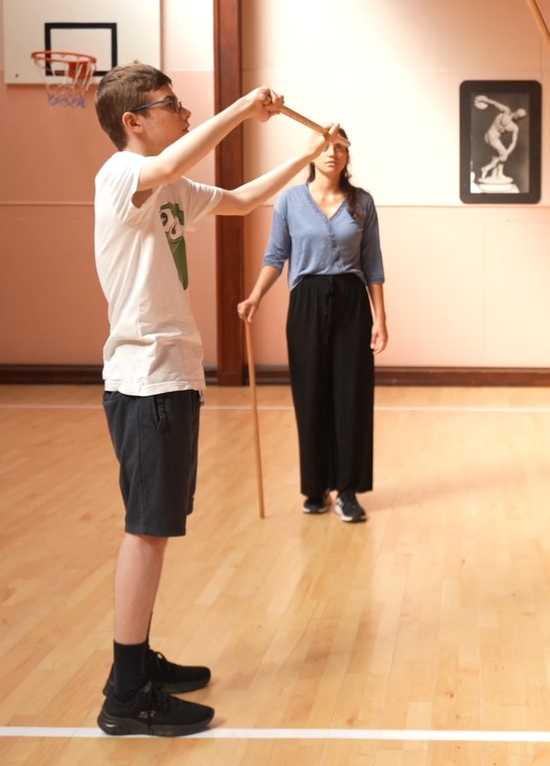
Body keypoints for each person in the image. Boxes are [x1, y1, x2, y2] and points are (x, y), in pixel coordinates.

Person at [93, 61, 341, 737]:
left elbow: (240, 197)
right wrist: (241, 108)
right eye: (168, 102)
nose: (182, 108)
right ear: (133, 121)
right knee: (146, 531)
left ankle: (140, 660)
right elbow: (181, 152)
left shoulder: (171, 185)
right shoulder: (121, 175)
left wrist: (305, 156)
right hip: (144, 380)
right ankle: (125, 691)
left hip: (171, 376)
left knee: (158, 528)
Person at [238, 127, 387, 524]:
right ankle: (316, 487)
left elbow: (373, 264)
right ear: (310, 154)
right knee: (311, 395)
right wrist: (255, 295)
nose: (332, 153)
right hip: (305, 302)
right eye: (324, 146)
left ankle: (349, 490)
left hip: (352, 302)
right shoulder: (289, 201)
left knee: (351, 396)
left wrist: (380, 320)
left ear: (347, 156)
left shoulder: (362, 203)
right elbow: (276, 256)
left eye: (339, 147)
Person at [475, 96, 527, 184]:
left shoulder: (511, 120)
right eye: (519, 114)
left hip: (489, 136)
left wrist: (484, 100)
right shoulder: (511, 121)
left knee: (497, 155)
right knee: (503, 154)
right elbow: (494, 103)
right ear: (518, 115)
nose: (518, 115)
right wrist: (483, 100)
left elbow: (494, 103)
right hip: (492, 137)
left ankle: (496, 174)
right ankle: (486, 168)